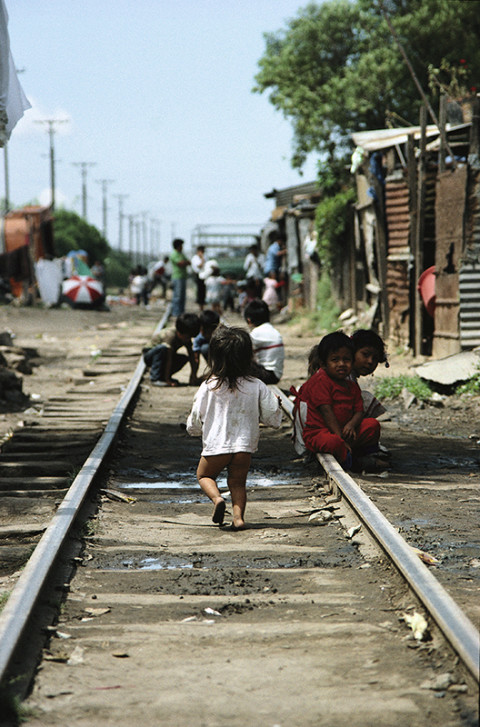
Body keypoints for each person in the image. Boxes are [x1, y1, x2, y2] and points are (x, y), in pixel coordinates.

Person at [186, 325, 282, 530]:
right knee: (238, 483)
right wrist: (278, 406)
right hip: (243, 447)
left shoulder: (209, 386)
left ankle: (217, 499)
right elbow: (271, 416)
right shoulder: (256, 384)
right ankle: (238, 518)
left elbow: (196, 415)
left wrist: (193, 429)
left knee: (204, 476)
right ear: (248, 356)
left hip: (216, 447)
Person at [296, 331, 383, 471]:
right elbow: (326, 411)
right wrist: (340, 439)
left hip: (343, 429)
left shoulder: (350, 384)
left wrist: (351, 425)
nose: (342, 364)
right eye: (335, 360)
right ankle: (354, 463)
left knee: (372, 425)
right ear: (324, 363)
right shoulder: (322, 380)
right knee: (334, 441)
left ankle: (363, 455)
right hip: (322, 432)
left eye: (346, 360)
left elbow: (358, 410)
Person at [143, 312, 200, 386]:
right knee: (162, 349)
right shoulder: (170, 335)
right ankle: (155, 378)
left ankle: (162, 377)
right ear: (179, 333)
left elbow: (192, 356)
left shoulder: (186, 336)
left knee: (184, 358)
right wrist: (168, 380)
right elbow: (168, 359)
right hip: (150, 354)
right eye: (187, 337)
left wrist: (193, 376)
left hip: (165, 356)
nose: (188, 339)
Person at [244, 299, 284, 384]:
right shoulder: (272, 330)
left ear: (249, 320)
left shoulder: (256, 333)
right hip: (275, 374)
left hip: (268, 375)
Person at [192, 309, 220, 379]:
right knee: (205, 348)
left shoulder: (222, 335)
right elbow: (196, 358)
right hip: (215, 362)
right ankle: (216, 371)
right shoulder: (199, 338)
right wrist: (193, 376)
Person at [170, 238, 190, 317]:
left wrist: (185, 262)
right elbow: (180, 263)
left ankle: (181, 312)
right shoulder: (174, 254)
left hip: (183, 276)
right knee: (177, 296)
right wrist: (185, 263)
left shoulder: (181, 254)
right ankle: (176, 313)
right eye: (181, 245)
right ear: (178, 246)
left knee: (182, 296)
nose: (182, 247)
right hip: (177, 277)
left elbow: (188, 262)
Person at [191, 245, 207, 311]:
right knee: (200, 291)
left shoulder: (205, 257)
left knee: (203, 291)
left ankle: (202, 304)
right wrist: (202, 259)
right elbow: (200, 266)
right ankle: (200, 306)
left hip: (204, 274)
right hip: (198, 275)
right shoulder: (195, 258)